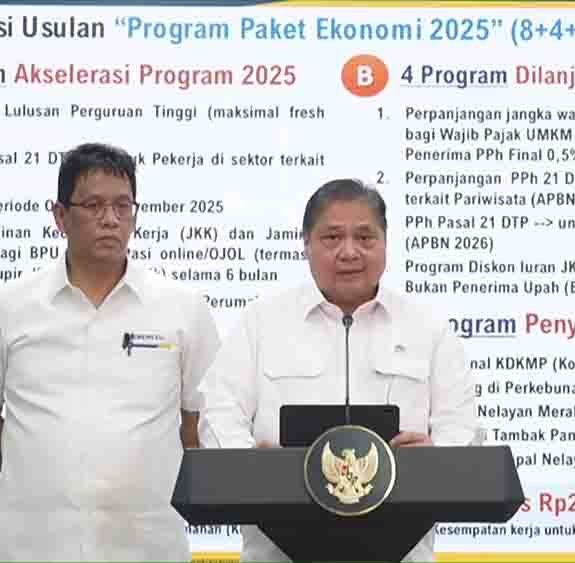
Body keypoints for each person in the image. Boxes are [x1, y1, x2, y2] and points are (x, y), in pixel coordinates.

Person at [0, 142, 220, 562]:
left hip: (147, 544)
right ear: (60, 216)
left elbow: (197, 420)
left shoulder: (183, 307)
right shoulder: (7, 305)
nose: (110, 219)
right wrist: (36, 473)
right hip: (35, 544)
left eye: (123, 206)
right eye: (93, 206)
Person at [198, 178, 479, 562]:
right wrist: (253, 469)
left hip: (402, 546)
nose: (349, 252)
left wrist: (436, 460)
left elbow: (462, 425)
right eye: (332, 238)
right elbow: (218, 412)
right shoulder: (262, 322)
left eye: (365, 237)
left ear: (386, 243)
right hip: (277, 549)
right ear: (306, 245)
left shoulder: (427, 327)